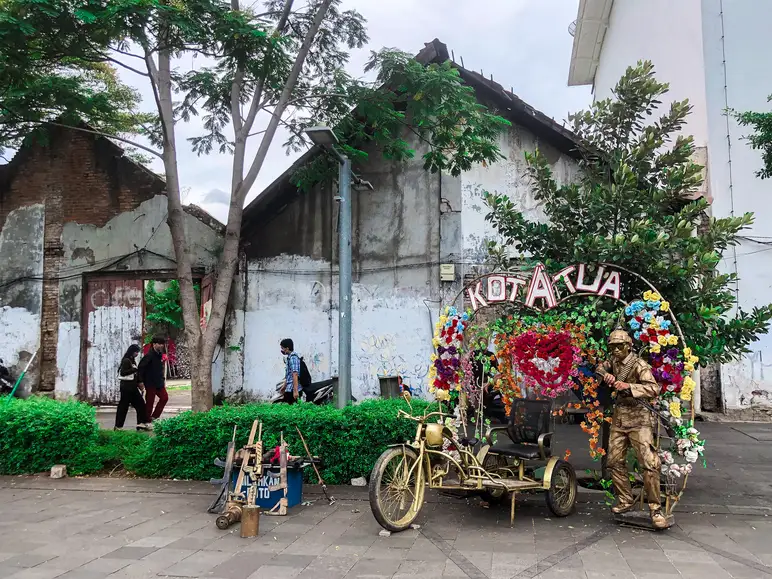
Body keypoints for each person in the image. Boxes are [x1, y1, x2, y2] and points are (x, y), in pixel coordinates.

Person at [596, 328, 668, 530]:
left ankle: (655, 509)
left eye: (619, 346)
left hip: (639, 419)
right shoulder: (613, 361)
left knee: (649, 463)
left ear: (628, 346)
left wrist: (629, 387)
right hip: (620, 418)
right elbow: (599, 368)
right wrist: (606, 376)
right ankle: (625, 499)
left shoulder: (639, 365)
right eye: (612, 347)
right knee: (613, 461)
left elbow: (653, 388)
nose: (616, 350)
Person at [115, 345, 152, 431]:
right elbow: (123, 373)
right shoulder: (126, 360)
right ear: (132, 351)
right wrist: (134, 369)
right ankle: (118, 426)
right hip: (126, 388)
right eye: (136, 352)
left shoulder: (132, 360)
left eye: (137, 352)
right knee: (123, 407)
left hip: (132, 388)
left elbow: (135, 375)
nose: (137, 354)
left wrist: (140, 384)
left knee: (140, 405)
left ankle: (141, 423)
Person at [138, 336, 168, 421]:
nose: (161, 345)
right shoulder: (149, 356)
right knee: (150, 402)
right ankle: (146, 419)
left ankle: (155, 416)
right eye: (159, 344)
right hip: (150, 383)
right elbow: (141, 368)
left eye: (162, 344)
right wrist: (140, 381)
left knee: (164, 398)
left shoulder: (160, 355)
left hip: (159, 382)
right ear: (154, 344)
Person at [279, 338, 301, 404]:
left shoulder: (293, 357)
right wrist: (284, 386)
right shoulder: (289, 357)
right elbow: (289, 375)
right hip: (289, 388)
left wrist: (295, 391)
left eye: (282, 348)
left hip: (292, 389)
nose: (282, 350)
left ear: (287, 348)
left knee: (294, 408)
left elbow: (295, 374)